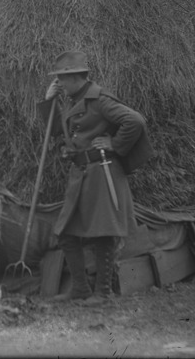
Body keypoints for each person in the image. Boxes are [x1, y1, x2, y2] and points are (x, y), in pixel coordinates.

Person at [40, 51, 152, 305]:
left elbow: (135, 121)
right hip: (81, 174)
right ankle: (80, 289)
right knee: (65, 232)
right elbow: (56, 131)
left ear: (75, 77)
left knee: (103, 233)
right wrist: (49, 101)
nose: (59, 84)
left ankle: (104, 292)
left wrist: (114, 143)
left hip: (102, 172)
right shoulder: (73, 100)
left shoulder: (99, 100)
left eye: (61, 79)